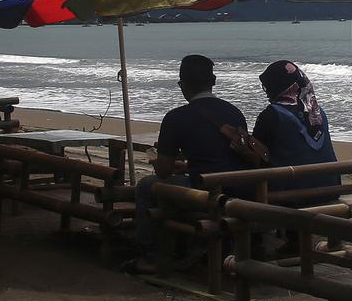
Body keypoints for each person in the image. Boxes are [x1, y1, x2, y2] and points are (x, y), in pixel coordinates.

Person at [129, 55, 250, 274]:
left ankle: (151, 256)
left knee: (146, 186)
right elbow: (225, 156)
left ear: (181, 85)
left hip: (206, 193)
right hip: (239, 188)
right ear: (213, 82)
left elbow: (164, 171)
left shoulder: (176, 118)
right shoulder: (234, 112)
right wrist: (188, 166)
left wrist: (157, 161)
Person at [253, 61, 340, 208]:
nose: (266, 91)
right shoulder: (318, 112)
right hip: (331, 186)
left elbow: (256, 150)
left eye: (267, 86)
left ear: (277, 86)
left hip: (294, 193)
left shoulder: (272, 114)